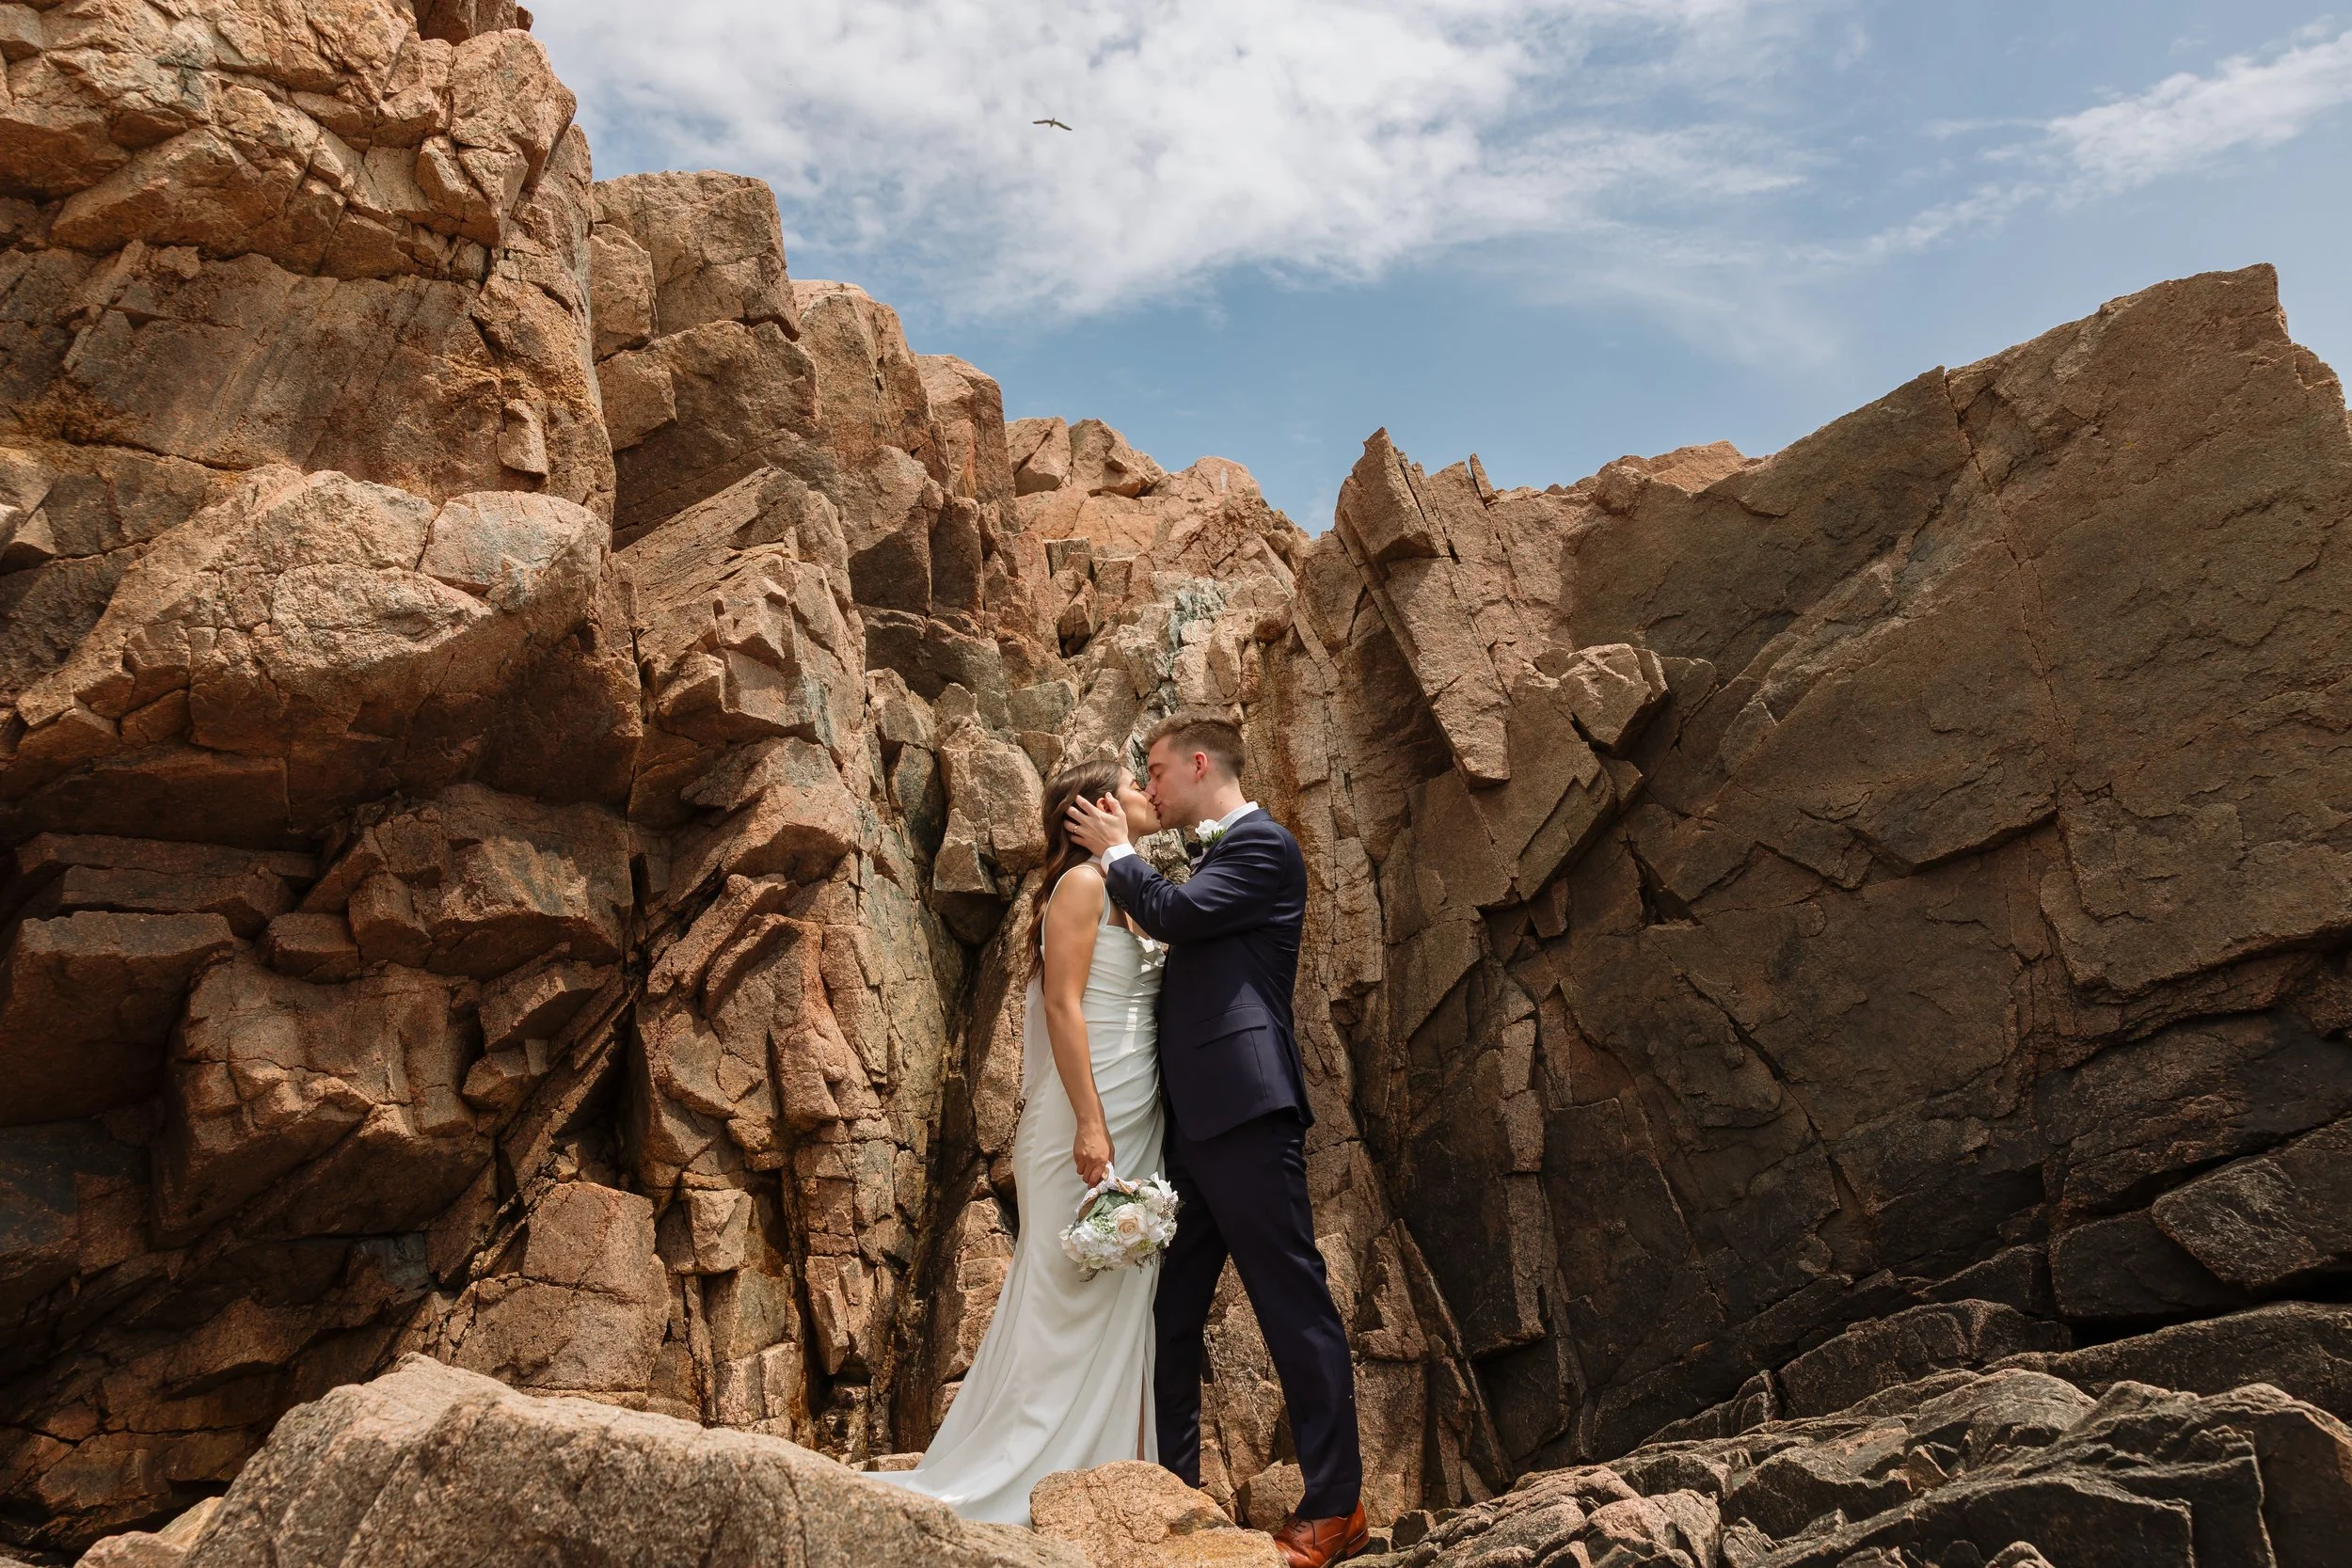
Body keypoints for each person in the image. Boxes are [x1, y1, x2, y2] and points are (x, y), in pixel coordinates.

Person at [1065, 713, 1367, 1568]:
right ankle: (1178, 1493)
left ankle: (1336, 1506)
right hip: (1193, 1130)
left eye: (1157, 771)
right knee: (1168, 1314)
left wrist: (1121, 848)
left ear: (1200, 764)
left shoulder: (1265, 846)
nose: (1151, 788)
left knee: (1290, 1303)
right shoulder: (1216, 854)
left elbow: (1178, 912)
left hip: (1246, 1112)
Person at [881, 759, 1168, 1524]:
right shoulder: (1083, 888)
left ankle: (1105, 1471)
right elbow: (1063, 1009)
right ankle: (1017, 1476)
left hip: (1138, 1111)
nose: (1148, 790)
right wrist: (1091, 1119)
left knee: (1118, 1293)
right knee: (1062, 1292)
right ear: (1101, 804)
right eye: (1134, 781)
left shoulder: (1134, 884)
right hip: (1089, 1112)